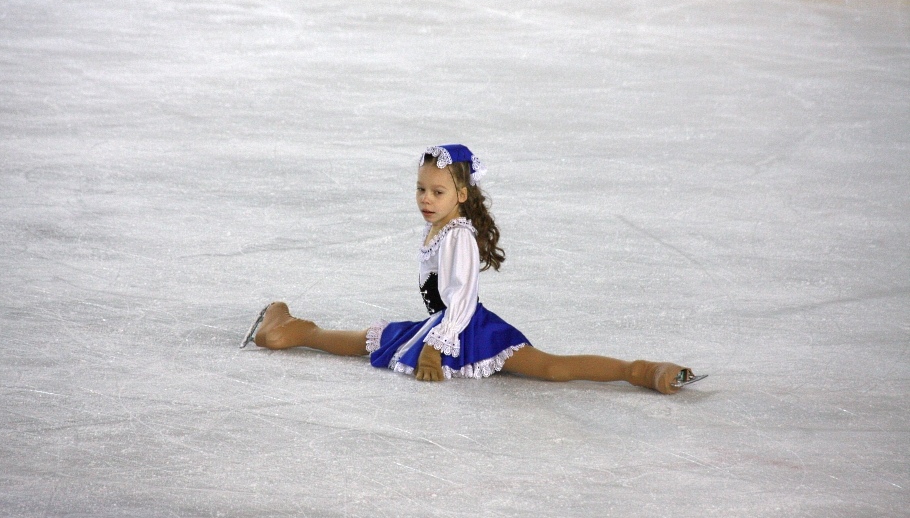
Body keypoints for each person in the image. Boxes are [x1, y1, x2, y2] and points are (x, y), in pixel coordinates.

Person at [241, 144, 704, 394]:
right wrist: (431, 339)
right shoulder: (443, 230)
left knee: (551, 370)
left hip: (471, 329)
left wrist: (435, 348)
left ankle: (642, 371)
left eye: (437, 191)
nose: (426, 198)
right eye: (421, 189)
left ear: (460, 195)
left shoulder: (458, 235)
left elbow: (460, 297)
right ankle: (290, 327)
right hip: (441, 327)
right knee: (363, 341)